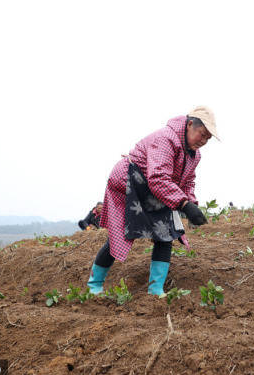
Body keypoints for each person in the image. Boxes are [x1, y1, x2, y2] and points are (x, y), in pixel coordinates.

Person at [87, 106, 219, 296]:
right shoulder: (166, 138)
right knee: (121, 234)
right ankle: (94, 286)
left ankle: (155, 290)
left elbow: (188, 180)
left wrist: (192, 204)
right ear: (190, 124)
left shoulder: (194, 155)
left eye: (208, 138)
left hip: (155, 188)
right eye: (202, 134)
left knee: (166, 234)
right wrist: (183, 204)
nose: (204, 141)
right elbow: (157, 177)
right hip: (129, 183)